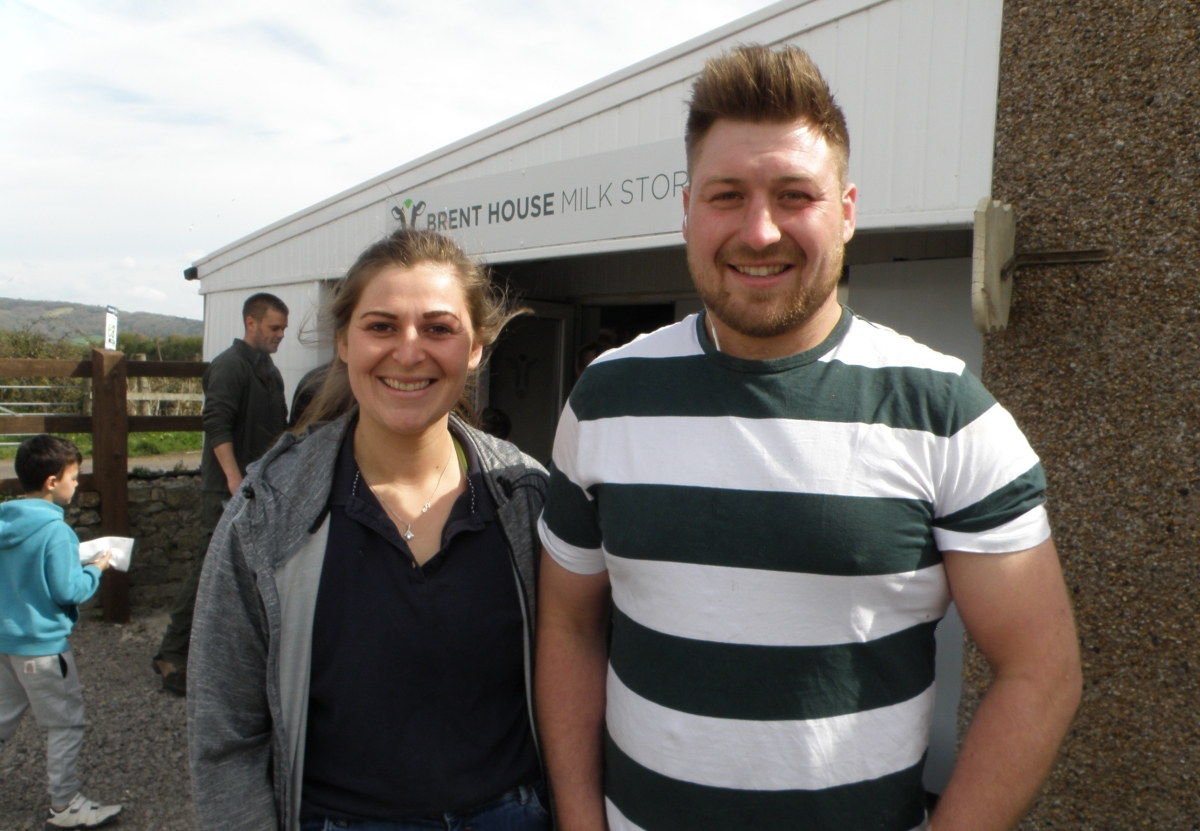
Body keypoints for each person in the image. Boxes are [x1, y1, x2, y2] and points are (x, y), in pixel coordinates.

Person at [536, 45, 1082, 831]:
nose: (760, 232)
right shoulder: (604, 397)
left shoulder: (947, 410)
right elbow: (569, 624)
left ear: (848, 210)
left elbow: (1042, 670)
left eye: (795, 195)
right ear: (688, 209)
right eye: (728, 195)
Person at [188, 229, 551, 831]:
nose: (408, 352)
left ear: (477, 348)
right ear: (343, 342)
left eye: (438, 328)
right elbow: (225, 735)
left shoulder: (529, 500)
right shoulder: (268, 513)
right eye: (381, 326)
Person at [152, 292, 290, 695]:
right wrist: (232, 478)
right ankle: (171, 655)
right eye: (274, 327)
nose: (281, 335)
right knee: (209, 568)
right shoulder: (228, 367)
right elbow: (217, 425)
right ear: (251, 323)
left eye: (283, 327)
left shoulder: (270, 371)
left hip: (258, 486)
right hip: (228, 488)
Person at [0, 435, 122, 829]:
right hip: (44, 649)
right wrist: (95, 568)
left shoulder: (6, 521)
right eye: (75, 476)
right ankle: (64, 804)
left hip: (5, 642)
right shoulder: (57, 532)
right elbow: (69, 590)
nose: (78, 483)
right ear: (53, 482)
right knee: (65, 724)